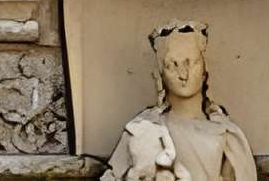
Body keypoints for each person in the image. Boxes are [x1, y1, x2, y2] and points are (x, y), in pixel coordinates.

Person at [100, 24, 257, 181]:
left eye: (192, 62)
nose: (183, 74)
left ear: (204, 71)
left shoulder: (226, 133)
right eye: (172, 65)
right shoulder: (142, 128)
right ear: (161, 76)